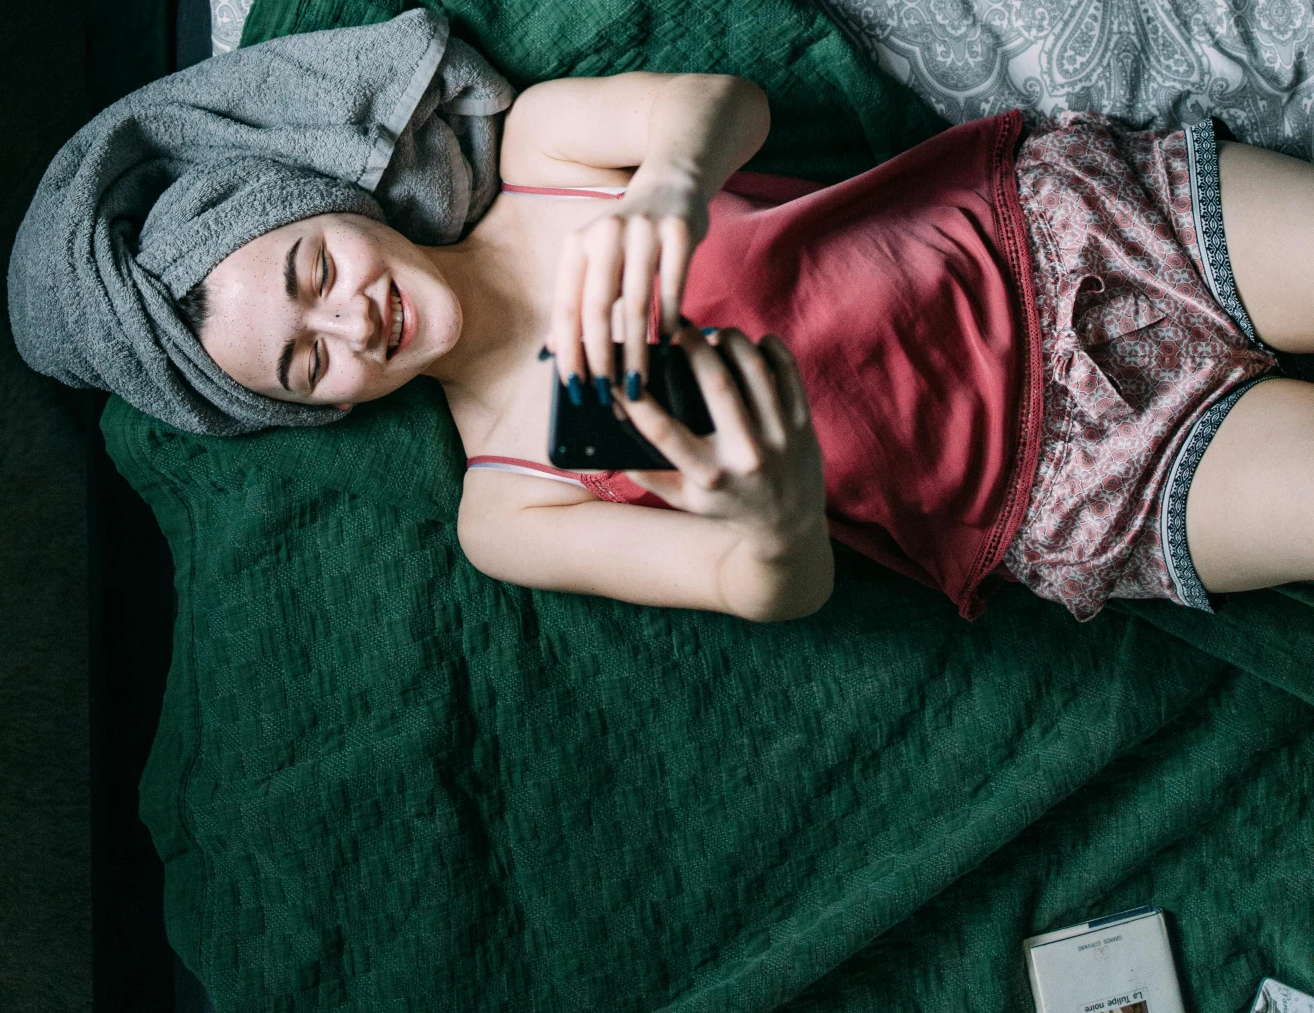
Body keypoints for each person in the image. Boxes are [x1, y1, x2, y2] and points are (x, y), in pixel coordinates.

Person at [174, 62, 1314, 626]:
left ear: (331, 205)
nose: (349, 320)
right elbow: (766, 588)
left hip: (1050, 233)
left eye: (314, 270)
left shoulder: (537, 150)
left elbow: (727, 104)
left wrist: (672, 181)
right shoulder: (505, 507)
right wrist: (770, 514)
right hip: (1058, 489)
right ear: (325, 408)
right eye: (309, 360)